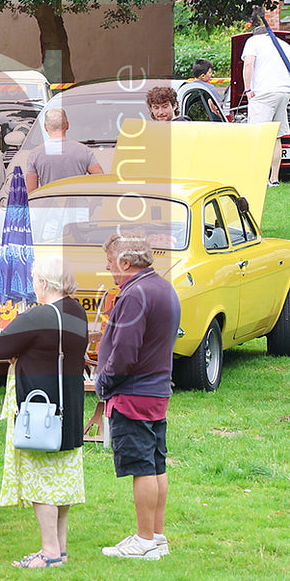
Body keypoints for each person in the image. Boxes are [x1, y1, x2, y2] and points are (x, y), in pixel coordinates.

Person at [0, 256, 89, 569]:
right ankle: (59, 549)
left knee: (41, 481)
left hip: (39, 410)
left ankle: (48, 552)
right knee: (62, 481)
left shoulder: (41, 315)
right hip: (68, 406)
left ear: (44, 284)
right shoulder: (76, 311)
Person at [96, 232, 178, 560]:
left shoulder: (134, 294)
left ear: (126, 263)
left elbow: (126, 351)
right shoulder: (164, 288)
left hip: (133, 392)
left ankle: (144, 540)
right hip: (157, 389)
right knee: (156, 464)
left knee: (142, 466)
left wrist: (104, 382)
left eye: (110, 262)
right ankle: (156, 537)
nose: (108, 268)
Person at [241, 5, 290, 184]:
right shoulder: (284, 45)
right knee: (276, 136)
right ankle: (274, 178)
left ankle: (257, 177)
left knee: (257, 135)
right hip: (284, 92)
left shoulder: (254, 42)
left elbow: (248, 65)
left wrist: (247, 89)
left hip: (263, 93)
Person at [23, 107, 103, 194]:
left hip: (50, 205)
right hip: (79, 205)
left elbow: (31, 191)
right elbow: (101, 179)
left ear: (45, 127)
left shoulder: (35, 154)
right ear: (67, 125)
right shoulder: (84, 151)